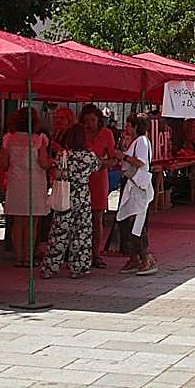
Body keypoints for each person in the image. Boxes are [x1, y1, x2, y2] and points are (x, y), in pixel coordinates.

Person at [41, 111, 104, 279]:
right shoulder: (89, 157)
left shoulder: (64, 156)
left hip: (65, 194)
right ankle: (79, 267)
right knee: (81, 232)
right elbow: (97, 167)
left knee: (59, 233)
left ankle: (50, 267)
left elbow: (56, 172)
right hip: (83, 196)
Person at [0, 107, 51, 268]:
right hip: (35, 183)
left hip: (16, 183)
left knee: (18, 221)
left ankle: (19, 257)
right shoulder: (39, 140)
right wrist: (53, 161)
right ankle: (28, 257)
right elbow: (43, 163)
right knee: (32, 223)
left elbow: (3, 163)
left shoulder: (9, 139)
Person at [114, 112, 157, 275]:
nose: (126, 127)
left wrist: (122, 156)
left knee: (137, 222)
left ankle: (146, 258)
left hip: (138, 185)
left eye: (129, 125)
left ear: (136, 127)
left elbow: (140, 162)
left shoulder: (142, 141)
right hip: (131, 184)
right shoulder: (136, 141)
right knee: (127, 220)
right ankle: (134, 257)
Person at [81, 104, 116, 268]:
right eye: (87, 120)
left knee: (97, 218)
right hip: (81, 180)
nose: (90, 123)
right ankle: (80, 253)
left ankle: (96, 253)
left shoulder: (106, 134)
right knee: (81, 219)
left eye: (93, 120)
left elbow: (113, 159)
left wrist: (102, 163)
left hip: (99, 180)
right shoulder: (79, 134)